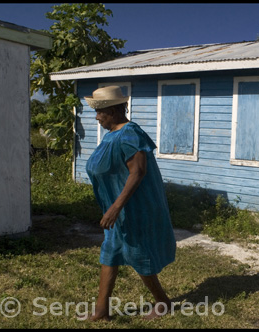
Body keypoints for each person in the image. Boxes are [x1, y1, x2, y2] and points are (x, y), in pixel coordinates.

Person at [82, 86, 176, 321]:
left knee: (138, 254)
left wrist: (115, 207)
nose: (96, 117)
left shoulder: (130, 133)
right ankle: (102, 311)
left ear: (113, 110)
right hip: (119, 210)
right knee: (110, 253)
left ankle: (163, 303)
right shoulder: (112, 134)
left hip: (133, 209)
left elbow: (138, 172)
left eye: (99, 112)